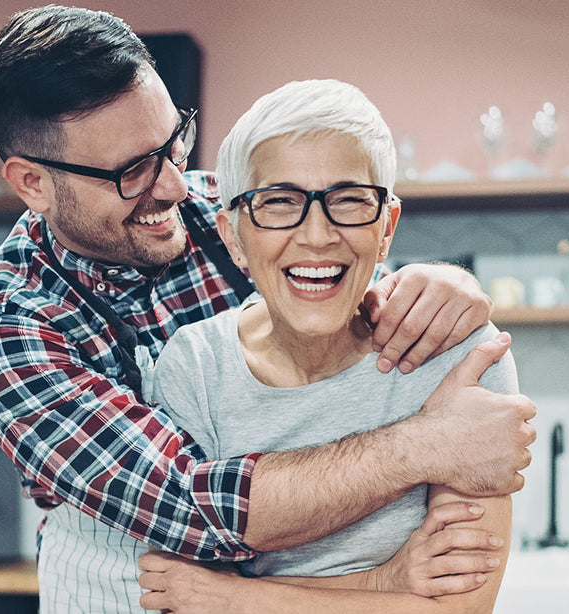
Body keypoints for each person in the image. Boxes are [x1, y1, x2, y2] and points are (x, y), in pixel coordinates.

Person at [0, 5, 535, 611]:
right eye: (132, 171)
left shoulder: (231, 210)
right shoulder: (12, 333)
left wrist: (436, 285)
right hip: (124, 590)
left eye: (173, 143)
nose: (176, 187)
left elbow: (343, 264)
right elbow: (195, 510)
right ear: (32, 183)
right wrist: (423, 458)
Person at [134, 79, 516, 613]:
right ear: (233, 236)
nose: (317, 235)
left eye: (349, 200)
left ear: (386, 227)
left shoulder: (457, 352)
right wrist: (385, 583)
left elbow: (458, 609)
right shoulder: (195, 365)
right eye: (279, 201)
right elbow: (178, 597)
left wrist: (234, 597)